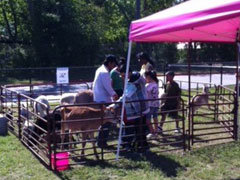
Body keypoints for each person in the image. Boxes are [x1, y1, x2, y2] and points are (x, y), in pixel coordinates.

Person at [109, 71, 150, 152]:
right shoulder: (135, 82)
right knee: (137, 130)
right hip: (136, 110)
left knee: (139, 130)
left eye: (124, 75)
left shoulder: (135, 84)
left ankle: (141, 147)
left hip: (138, 110)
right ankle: (138, 146)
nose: (123, 77)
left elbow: (125, 97)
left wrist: (114, 105)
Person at [92, 54, 118, 148]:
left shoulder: (100, 69)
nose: (114, 66)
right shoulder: (104, 72)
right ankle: (101, 142)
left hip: (99, 98)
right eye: (114, 64)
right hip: (103, 99)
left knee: (104, 121)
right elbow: (108, 87)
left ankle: (101, 142)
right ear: (110, 63)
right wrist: (115, 95)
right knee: (107, 121)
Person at [144, 70, 160, 139]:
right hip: (156, 104)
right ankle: (155, 131)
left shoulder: (148, 85)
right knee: (155, 117)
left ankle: (152, 132)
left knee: (148, 119)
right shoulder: (155, 84)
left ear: (148, 77)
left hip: (149, 104)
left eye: (145, 77)